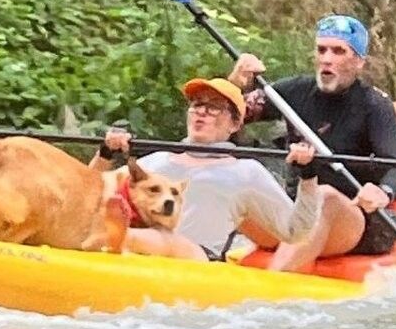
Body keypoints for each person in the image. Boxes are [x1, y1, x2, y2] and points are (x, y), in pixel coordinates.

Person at [227, 14, 396, 272]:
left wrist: (384, 192)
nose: (327, 59)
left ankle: (273, 288)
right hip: (295, 212)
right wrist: (235, 84)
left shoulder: (374, 105)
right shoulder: (293, 92)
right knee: (234, 178)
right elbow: (227, 119)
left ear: (358, 62)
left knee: (323, 197)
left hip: (357, 220)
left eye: (338, 51)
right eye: (322, 50)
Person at [97, 77, 322, 262]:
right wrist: (105, 153)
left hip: (197, 257)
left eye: (213, 107)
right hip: (144, 252)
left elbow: (297, 231)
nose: (202, 111)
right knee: (103, 209)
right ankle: (110, 236)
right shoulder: (155, 162)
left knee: (166, 239)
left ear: (235, 124)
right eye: (197, 104)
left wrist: (308, 175)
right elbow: (93, 191)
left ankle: (115, 236)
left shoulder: (246, 172)